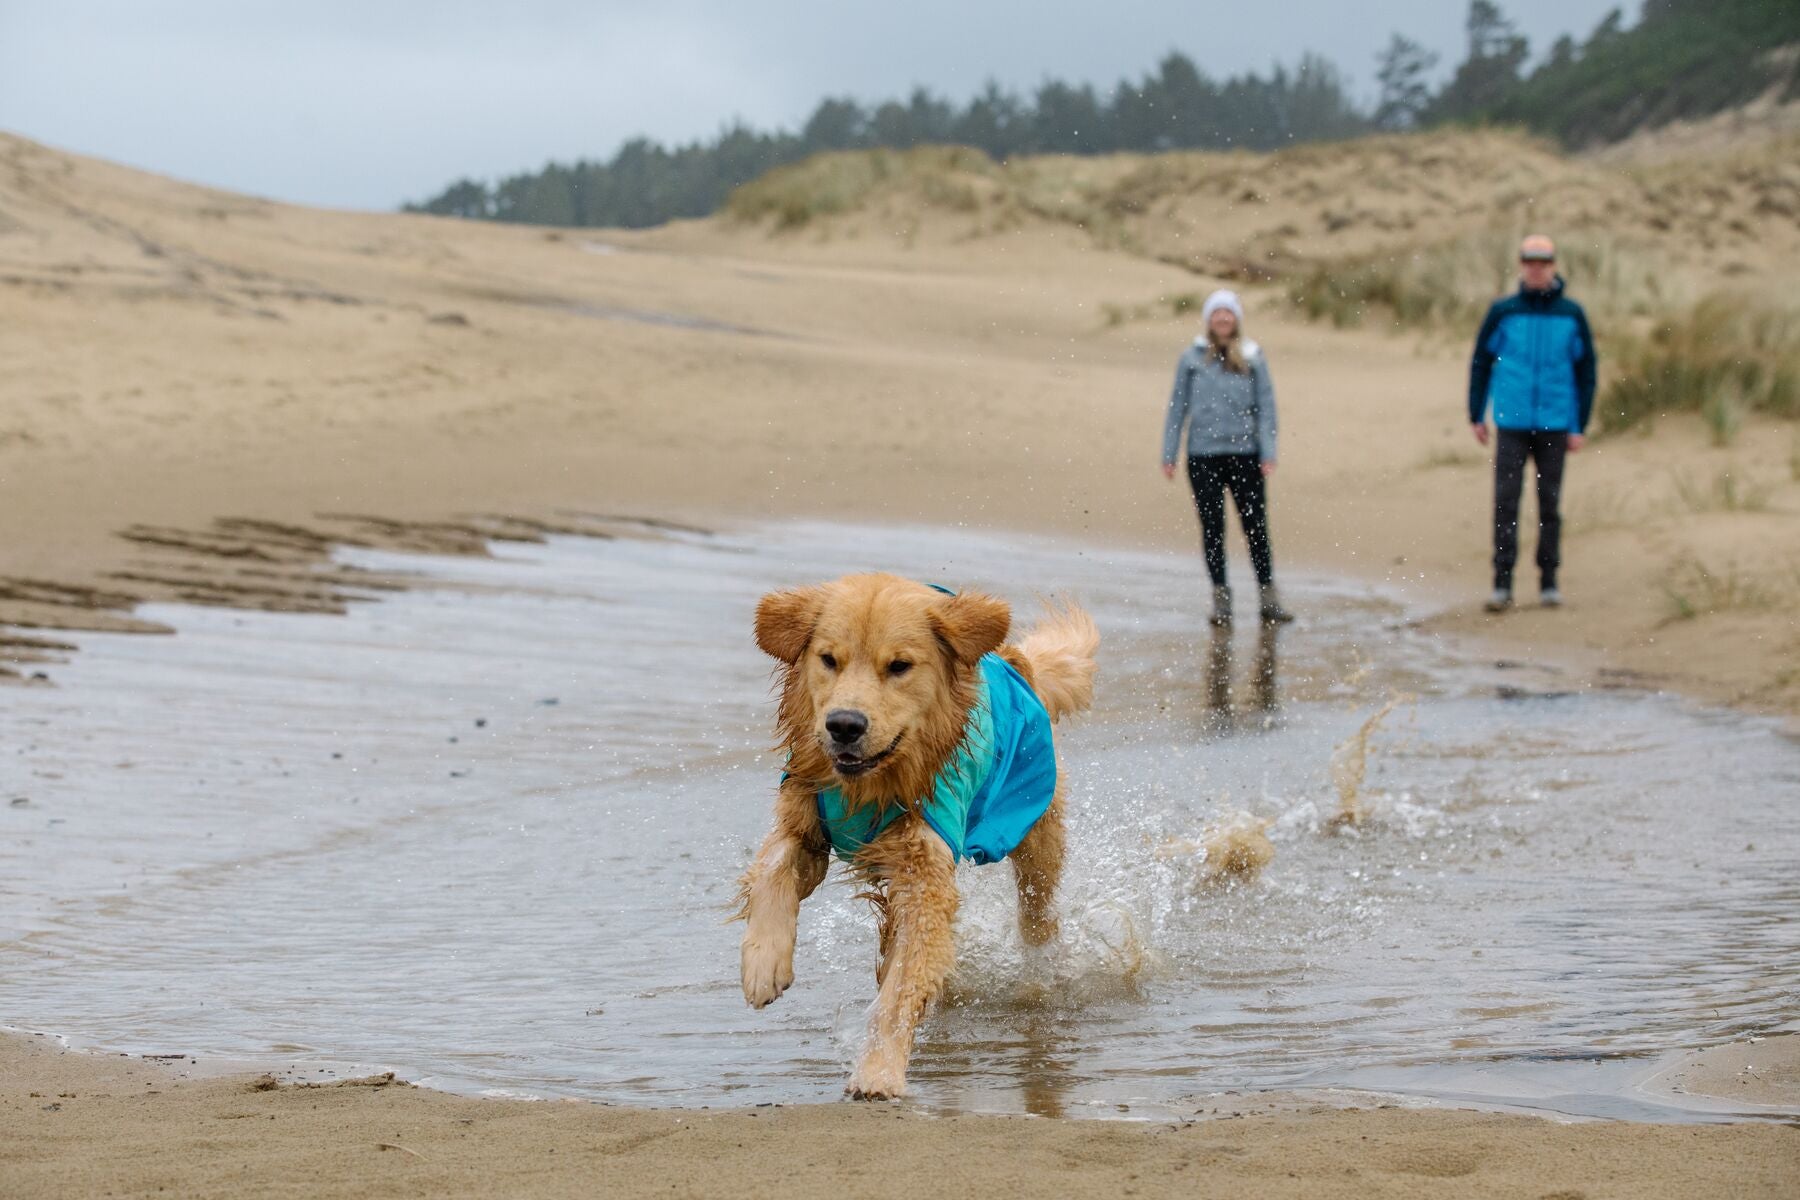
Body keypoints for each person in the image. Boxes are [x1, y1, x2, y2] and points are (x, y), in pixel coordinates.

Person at [1468, 234, 1598, 612]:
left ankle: (1549, 581)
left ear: (1554, 266)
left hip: (1556, 423)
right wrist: (1476, 413)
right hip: (1512, 421)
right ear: (1521, 265)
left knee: (1549, 504)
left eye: (1543, 262)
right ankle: (1502, 584)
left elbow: (1586, 371)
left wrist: (1580, 424)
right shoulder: (1503, 311)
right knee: (1506, 502)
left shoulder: (1571, 314)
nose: (1537, 268)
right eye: (1530, 261)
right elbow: (1481, 362)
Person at [1161, 289, 1293, 626]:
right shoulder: (1191, 358)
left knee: (1255, 527)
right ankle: (1221, 599)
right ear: (1208, 319)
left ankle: (1268, 597)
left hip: (1246, 455)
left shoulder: (1253, 356)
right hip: (1202, 456)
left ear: (1236, 319)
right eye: (1217, 313)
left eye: (1228, 313)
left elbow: (1267, 407)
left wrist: (1268, 451)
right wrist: (1169, 453)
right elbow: (1177, 408)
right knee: (1212, 528)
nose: (1222, 318)